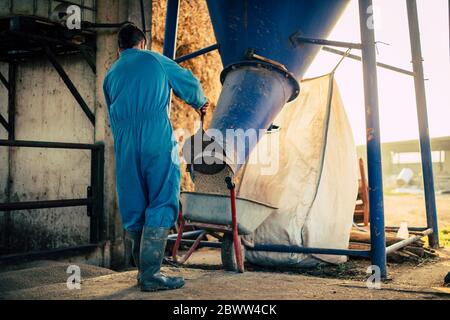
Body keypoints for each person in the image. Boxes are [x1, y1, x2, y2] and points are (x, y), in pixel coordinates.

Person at [103, 23, 208, 292]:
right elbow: (189, 84)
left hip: (125, 145)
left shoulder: (110, 74)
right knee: (162, 197)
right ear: (142, 44)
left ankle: (142, 271)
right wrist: (200, 102)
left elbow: (112, 112)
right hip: (155, 138)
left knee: (134, 203)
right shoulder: (154, 59)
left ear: (119, 48)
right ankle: (151, 274)